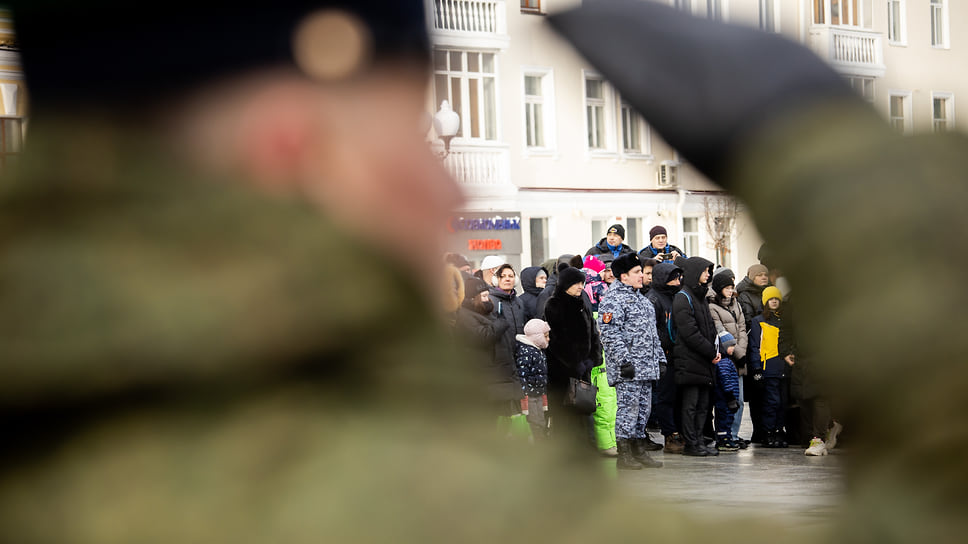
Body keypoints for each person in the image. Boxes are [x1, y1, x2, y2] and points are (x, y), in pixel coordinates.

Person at [599, 253, 665, 469]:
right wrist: (623, 361)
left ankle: (638, 449)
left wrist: (660, 359)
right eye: (636, 272)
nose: (641, 276)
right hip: (628, 369)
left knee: (643, 410)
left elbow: (653, 335)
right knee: (628, 410)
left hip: (646, 368)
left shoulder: (643, 301)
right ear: (623, 276)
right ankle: (624, 454)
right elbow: (609, 334)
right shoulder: (612, 300)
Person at [543, 265, 602, 450]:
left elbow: (593, 333)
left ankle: (584, 450)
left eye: (582, 283)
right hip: (563, 374)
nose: (580, 287)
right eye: (576, 283)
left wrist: (593, 357)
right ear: (566, 284)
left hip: (583, 370)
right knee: (565, 414)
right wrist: (574, 364)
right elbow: (557, 341)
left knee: (583, 412)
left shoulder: (582, 304)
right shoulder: (554, 305)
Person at [670, 257, 720, 457]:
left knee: (703, 405)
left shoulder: (700, 296)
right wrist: (711, 351)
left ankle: (699, 440)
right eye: (705, 271)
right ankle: (691, 443)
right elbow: (689, 333)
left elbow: (709, 326)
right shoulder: (683, 297)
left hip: (704, 360)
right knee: (691, 405)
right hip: (691, 360)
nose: (708, 274)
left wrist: (714, 350)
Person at [646, 262, 685, 454]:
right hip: (664, 354)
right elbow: (654, 330)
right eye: (673, 278)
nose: (677, 281)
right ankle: (670, 433)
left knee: (678, 396)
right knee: (666, 396)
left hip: (678, 353)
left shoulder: (676, 296)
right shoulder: (653, 299)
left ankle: (678, 430)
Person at [707, 272, 749, 447]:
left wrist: (741, 351)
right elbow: (720, 331)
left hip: (740, 358)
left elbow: (742, 328)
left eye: (732, 288)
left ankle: (734, 434)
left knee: (739, 399)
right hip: (725, 360)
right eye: (727, 288)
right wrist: (737, 352)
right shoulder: (712, 307)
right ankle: (725, 434)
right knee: (726, 399)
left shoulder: (736, 304)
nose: (731, 291)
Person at [748, 286, 787, 448]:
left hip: (783, 367)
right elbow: (754, 346)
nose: (774, 301)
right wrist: (756, 368)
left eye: (776, 299)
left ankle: (779, 431)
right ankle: (768, 432)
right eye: (771, 299)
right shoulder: (758, 321)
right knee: (771, 402)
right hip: (768, 367)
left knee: (783, 403)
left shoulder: (784, 321)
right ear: (765, 302)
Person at [515, 319, 552, 441]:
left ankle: (540, 441)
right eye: (545, 336)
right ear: (537, 337)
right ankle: (537, 445)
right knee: (534, 421)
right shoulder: (527, 352)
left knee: (540, 419)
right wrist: (524, 393)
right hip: (530, 395)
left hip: (538, 392)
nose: (548, 339)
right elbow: (522, 374)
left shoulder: (537, 350)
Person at [712, 331, 742, 451]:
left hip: (728, 397)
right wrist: (730, 396)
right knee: (724, 418)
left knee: (728, 418)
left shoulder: (727, 360)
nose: (733, 349)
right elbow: (725, 380)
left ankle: (727, 437)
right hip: (725, 398)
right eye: (731, 346)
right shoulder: (723, 362)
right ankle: (723, 440)